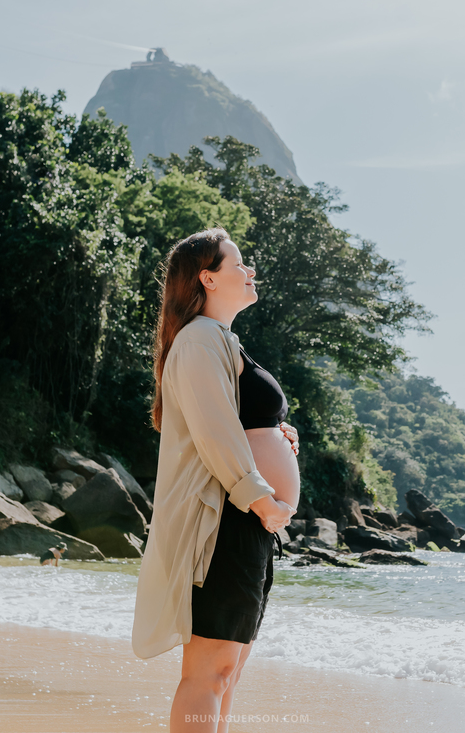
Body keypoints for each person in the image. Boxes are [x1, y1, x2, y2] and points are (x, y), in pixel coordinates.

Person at [133, 227, 300, 733]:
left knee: (226, 673)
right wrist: (260, 497)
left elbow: (231, 421)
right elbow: (211, 431)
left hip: (246, 520)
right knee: (209, 672)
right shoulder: (200, 338)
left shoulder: (221, 341)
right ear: (208, 277)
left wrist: (274, 433)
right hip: (227, 517)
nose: (250, 272)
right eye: (239, 264)